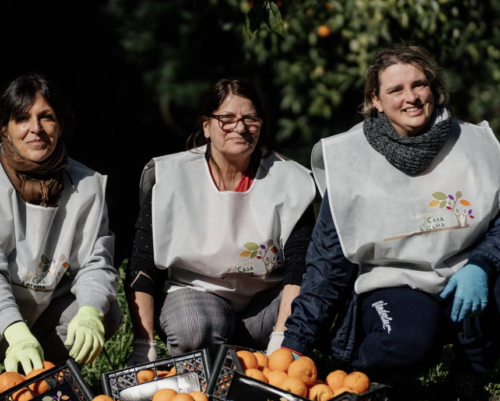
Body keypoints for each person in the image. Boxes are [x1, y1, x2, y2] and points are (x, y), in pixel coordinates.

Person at [282, 43, 500, 399]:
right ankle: (363, 374)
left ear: (435, 88)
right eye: (395, 90)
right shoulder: (350, 157)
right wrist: (295, 344)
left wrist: (483, 264)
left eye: (419, 85)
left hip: (467, 273)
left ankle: (471, 370)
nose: (410, 97)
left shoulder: (477, 144)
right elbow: (328, 262)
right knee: (404, 343)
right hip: (394, 284)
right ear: (376, 100)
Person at [125, 78, 316, 365]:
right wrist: (143, 344)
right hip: (197, 295)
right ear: (206, 126)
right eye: (226, 119)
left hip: (265, 305)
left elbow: (300, 266)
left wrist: (282, 340)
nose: (239, 127)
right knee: (193, 329)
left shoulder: (292, 181)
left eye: (250, 119)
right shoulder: (170, 177)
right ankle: (216, 363)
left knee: (319, 292)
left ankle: (250, 365)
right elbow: (142, 263)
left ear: (261, 125)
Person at [0, 73, 121, 374]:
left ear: (61, 125)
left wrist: (91, 312)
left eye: (47, 117)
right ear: (5, 128)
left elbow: (96, 262)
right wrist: (13, 330)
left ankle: (45, 380)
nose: (35, 129)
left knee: (106, 310)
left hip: (42, 315)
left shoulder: (88, 185)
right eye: (22, 118)